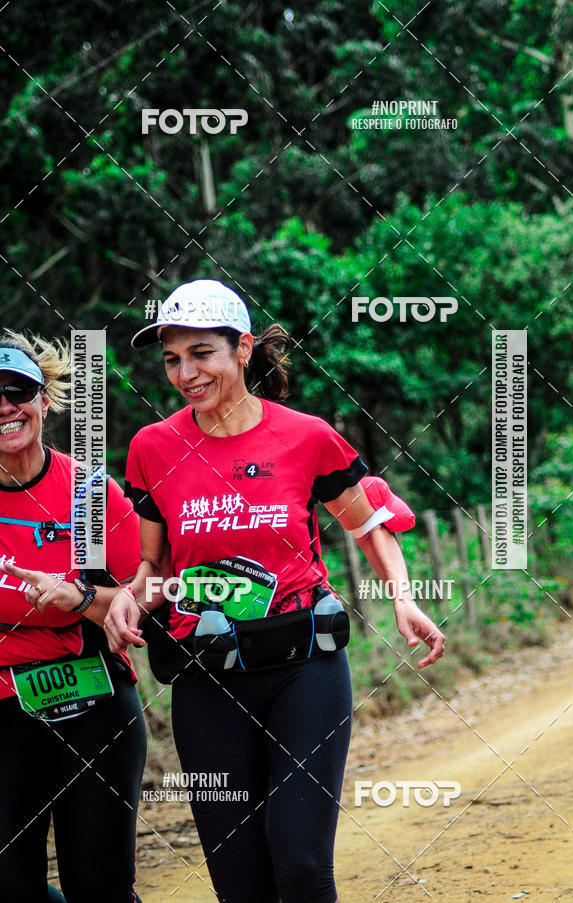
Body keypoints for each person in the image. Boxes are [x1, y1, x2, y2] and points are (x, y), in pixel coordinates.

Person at [105, 279, 445, 903]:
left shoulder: (306, 436)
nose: (186, 373)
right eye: (172, 359)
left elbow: (368, 522)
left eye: (202, 353)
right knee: (240, 881)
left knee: (301, 867)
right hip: (207, 680)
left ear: (243, 349)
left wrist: (401, 593)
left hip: (305, 671)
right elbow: (153, 566)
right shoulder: (152, 449)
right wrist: (132, 596)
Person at [0, 330, 146, 903]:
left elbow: (146, 596)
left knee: (100, 885)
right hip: (4, 707)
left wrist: (81, 599)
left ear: (43, 399)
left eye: (18, 390)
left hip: (94, 699)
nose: (5, 407)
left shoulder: (88, 493)